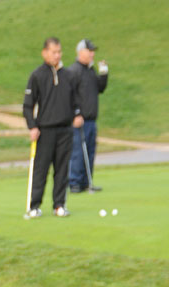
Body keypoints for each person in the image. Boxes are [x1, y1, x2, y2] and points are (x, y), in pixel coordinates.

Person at [22, 37, 83, 218]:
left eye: (59, 52)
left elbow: (75, 101)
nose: (57, 55)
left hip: (65, 130)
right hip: (44, 130)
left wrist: (77, 114)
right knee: (40, 170)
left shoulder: (69, 75)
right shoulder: (37, 75)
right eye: (53, 52)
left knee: (62, 169)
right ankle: (34, 206)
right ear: (45, 53)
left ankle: (59, 205)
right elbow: (27, 105)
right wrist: (32, 126)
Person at [68, 39, 109, 193]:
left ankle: (86, 181)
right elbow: (69, 95)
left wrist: (104, 73)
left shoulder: (90, 71)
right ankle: (74, 182)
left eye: (93, 51)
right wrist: (75, 114)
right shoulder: (74, 71)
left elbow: (100, 88)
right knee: (78, 151)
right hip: (79, 120)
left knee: (90, 151)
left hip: (91, 120)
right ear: (80, 52)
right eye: (89, 51)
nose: (92, 54)